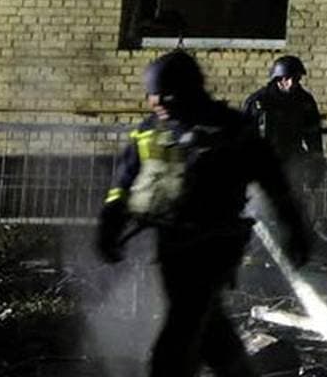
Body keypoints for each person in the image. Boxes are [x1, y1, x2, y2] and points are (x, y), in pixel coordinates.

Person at [97, 50, 313, 377]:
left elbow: (274, 183)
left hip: (215, 243)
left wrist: (295, 230)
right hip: (171, 243)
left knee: (183, 325)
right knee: (210, 329)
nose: (156, 102)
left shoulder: (231, 129)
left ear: (187, 89)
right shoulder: (151, 131)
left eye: (164, 94)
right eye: (153, 94)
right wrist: (110, 223)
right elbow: (123, 183)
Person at [243, 54, 324, 192]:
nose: (291, 83)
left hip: (293, 163)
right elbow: (244, 137)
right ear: (278, 78)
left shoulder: (304, 101)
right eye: (287, 78)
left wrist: (315, 169)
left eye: (296, 79)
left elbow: (314, 136)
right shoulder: (259, 101)